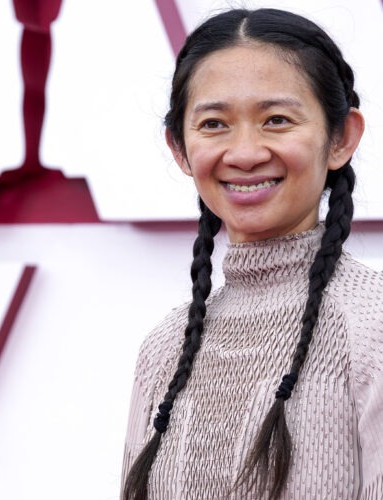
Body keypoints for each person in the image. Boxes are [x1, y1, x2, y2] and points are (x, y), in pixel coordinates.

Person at [121, 8, 383, 500]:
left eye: (276, 120)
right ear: (180, 148)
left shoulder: (373, 328)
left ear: (341, 138)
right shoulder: (164, 350)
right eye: (214, 123)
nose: (244, 153)